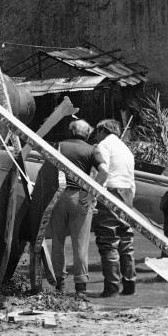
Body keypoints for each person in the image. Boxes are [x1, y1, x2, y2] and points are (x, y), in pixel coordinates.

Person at [43, 119, 103, 296]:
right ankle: (81, 289)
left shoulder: (58, 146)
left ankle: (59, 285)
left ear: (70, 131)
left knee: (57, 242)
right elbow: (105, 171)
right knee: (80, 244)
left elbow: (47, 172)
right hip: (81, 198)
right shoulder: (92, 150)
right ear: (88, 133)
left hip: (58, 196)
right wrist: (92, 194)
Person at [92, 119, 137, 297]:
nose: (95, 135)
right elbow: (132, 179)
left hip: (110, 191)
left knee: (108, 240)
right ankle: (130, 285)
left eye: (97, 131)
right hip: (127, 193)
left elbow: (103, 172)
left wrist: (95, 195)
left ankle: (111, 288)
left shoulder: (103, 145)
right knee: (126, 240)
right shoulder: (126, 149)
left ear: (103, 130)